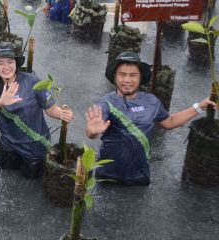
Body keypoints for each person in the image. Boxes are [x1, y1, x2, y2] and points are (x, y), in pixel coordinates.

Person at [85, 52, 216, 186]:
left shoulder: (151, 101)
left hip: (140, 175)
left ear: (141, 77)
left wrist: (199, 107)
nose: (127, 80)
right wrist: (93, 131)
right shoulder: (105, 103)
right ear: (114, 76)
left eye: (133, 75)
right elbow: (92, 130)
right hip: (108, 175)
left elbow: (169, 122)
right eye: (122, 74)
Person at [0, 43, 74, 178]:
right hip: (8, 145)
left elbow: (51, 108)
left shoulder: (32, 81)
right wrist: (1, 101)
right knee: (7, 180)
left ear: (16, 64)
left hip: (35, 146)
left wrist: (62, 114)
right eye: (0, 63)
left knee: (31, 185)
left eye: (10, 62)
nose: (6, 67)